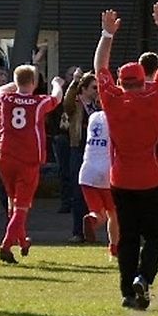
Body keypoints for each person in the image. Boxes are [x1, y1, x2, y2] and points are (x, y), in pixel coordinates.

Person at [94, 6, 158, 310]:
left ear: (121, 81)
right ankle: (144, 277)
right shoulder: (155, 97)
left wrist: (107, 34)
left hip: (121, 180)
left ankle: (128, 292)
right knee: (155, 237)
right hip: (152, 179)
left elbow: (99, 65)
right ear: (144, 79)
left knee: (127, 238)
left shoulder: (112, 99)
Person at [0, 65, 65, 263]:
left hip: (6, 156)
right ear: (34, 83)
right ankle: (6, 245)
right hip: (28, 159)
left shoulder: (6, 99)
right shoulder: (38, 102)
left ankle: (23, 241)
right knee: (22, 207)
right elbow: (57, 98)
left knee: (13, 202)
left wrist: (14, 85)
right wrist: (56, 83)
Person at [63, 68, 101, 241]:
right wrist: (74, 82)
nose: (97, 91)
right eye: (94, 88)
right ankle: (78, 232)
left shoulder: (98, 106)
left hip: (96, 150)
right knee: (78, 192)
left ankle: (92, 229)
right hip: (78, 149)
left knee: (95, 191)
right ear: (84, 88)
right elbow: (67, 102)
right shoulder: (76, 104)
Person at [77, 107, 119, 259]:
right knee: (113, 214)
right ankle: (114, 248)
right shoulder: (116, 119)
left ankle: (92, 218)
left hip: (87, 172)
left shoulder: (93, 117)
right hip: (106, 172)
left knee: (97, 211)